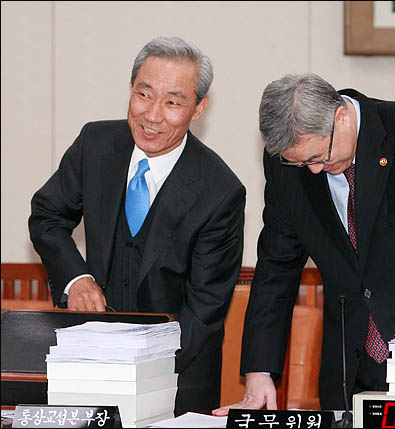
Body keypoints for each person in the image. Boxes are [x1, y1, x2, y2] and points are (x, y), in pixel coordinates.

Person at [213, 73, 395, 415]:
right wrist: (259, 372)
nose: (315, 171)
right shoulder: (284, 167)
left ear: (341, 116)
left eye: (320, 157)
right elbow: (277, 266)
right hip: (351, 365)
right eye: (303, 163)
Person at [29, 36, 246, 412]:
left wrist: (142, 372)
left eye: (173, 102)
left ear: (198, 108)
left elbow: (204, 308)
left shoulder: (219, 190)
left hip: (178, 377)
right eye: (144, 94)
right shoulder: (95, 144)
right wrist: (76, 279)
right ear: (130, 89)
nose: (153, 115)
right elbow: (47, 215)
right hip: (89, 362)